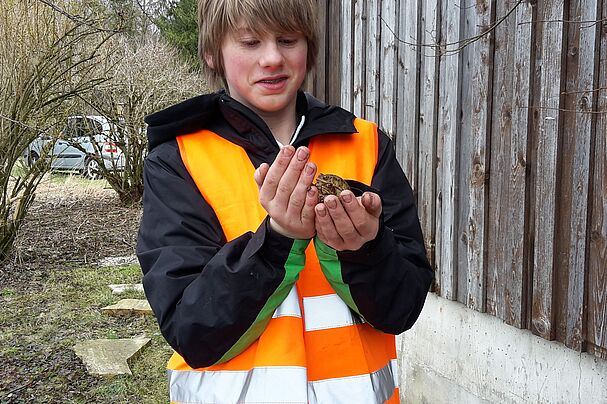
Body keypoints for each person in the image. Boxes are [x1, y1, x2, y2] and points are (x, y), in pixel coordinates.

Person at [137, 0, 434, 402]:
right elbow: (193, 331)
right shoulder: (177, 161)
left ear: (308, 47)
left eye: (287, 39)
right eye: (249, 42)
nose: (272, 58)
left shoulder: (366, 144)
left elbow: (401, 309)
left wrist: (364, 250)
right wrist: (277, 240)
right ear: (212, 53)